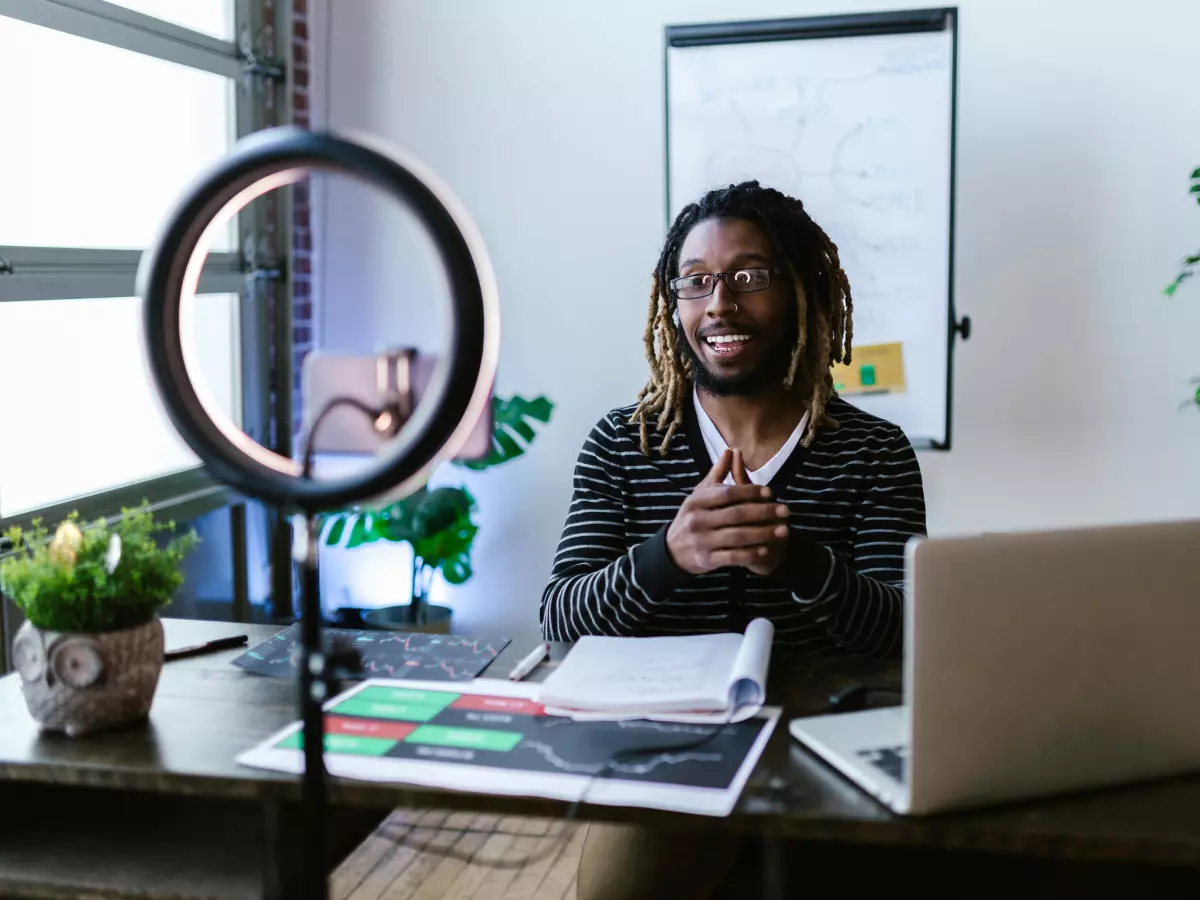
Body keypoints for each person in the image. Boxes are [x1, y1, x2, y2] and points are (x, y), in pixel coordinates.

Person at [540, 180, 927, 899]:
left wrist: (798, 560)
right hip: (664, 753)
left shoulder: (873, 453)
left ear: (802, 291)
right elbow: (563, 617)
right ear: (673, 302)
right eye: (697, 282)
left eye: (750, 277)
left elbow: (904, 632)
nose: (721, 303)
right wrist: (669, 557)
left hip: (826, 753)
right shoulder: (622, 445)